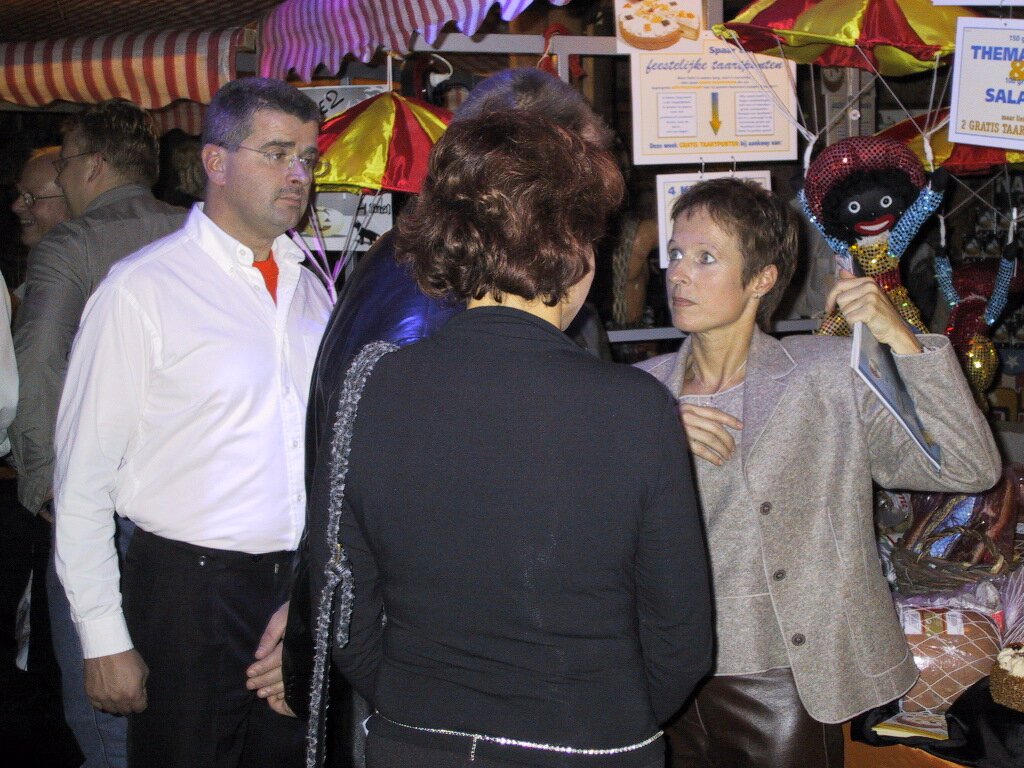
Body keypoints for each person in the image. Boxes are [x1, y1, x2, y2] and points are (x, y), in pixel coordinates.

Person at [300, 108, 712, 768]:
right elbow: (681, 639)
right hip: (588, 742)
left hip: (415, 740)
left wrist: (418, 705)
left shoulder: (371, 386)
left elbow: (341, 608)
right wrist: (608, 713)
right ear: (574, 248)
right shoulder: (634, 408)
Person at [279, 68, 620, 735]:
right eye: (572, 177)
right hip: (432, 662)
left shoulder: (448, 262)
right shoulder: (436, 288)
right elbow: (393, 498)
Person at [635, 177, 1002, 768]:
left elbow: (968, 466)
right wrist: (649, 439)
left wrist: (902, 340)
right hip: (661, 673)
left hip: (778, 675)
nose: (679, 274)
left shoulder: (827, 375)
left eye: (706, 258)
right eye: (675, 254)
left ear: (762, 279)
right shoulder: (642, 393)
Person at [52, 77, 331, 768]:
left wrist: (311, 596)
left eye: (307, 157)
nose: (298, 174)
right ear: (215, 162)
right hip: (188, 593)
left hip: (295, 589)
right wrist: (103, 637)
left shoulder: (313, 291)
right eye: (276, 153)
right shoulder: (143, 289)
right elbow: (82, 480)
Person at [10, 110, 185, 768]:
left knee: (107, 714)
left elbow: (39, 370)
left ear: (94, 167)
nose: (58, 179)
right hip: (189, 514)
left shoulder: (72, 244)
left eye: (63, 165)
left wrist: (45, 487)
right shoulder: (200, 233)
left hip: (103, 505)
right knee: (177, 706)